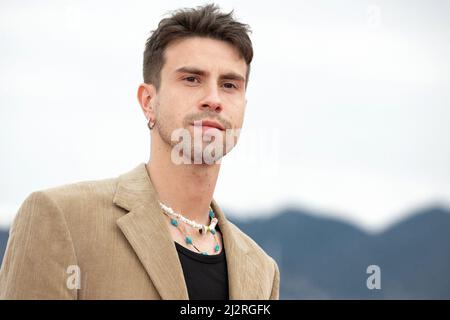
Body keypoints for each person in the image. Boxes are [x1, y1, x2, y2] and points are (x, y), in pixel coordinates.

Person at [0, 4, 280, 300]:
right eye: (192, 79)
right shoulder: (61, 219)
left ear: (243, 108)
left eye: (229, 85)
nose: (213, 99)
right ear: (148, 101)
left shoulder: (262, 270)